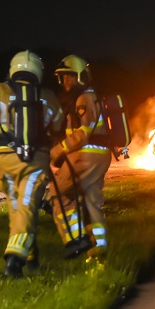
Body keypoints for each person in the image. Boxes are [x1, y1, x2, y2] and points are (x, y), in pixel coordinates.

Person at [0, 50, 64, 277]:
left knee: (18, 209)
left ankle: (31, 256)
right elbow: (59, 126)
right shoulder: (48, 96)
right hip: (35, 161)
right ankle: (14, 259)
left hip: (6, 160)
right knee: (27, 205)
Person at [48, 54, 113, 260]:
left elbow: (83, 133)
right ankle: (100, 247)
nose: (64, 82)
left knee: (57, 194)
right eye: (62, 78)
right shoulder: (86, 97)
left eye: (67, 76)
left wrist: (57, 151)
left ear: (79, 76)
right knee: (92, 200)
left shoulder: (84, 98)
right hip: (96, 156)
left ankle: (77, 241)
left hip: (86, 157)